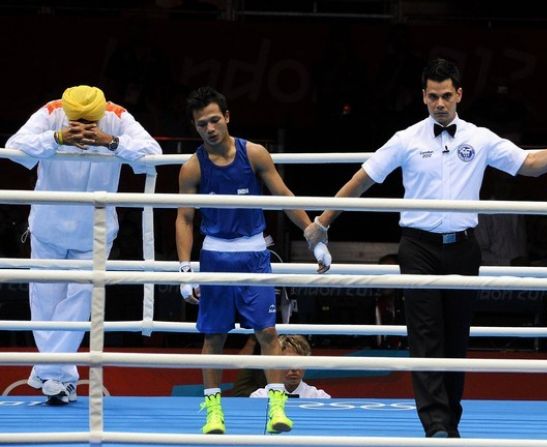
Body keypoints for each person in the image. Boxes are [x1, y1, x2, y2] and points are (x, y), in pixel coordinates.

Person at [304, 58, 547, 438]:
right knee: (425, 338)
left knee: (456, 340)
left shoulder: (479, 137)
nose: (440, 103)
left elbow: (531, 164)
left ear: (458, 95)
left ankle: (449, 424)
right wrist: (322, 222)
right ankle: (436, 425)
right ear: (423, 97)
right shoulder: (406, 139)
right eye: (432, 96)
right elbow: (363, 179)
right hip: (417, 248)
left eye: (446, 96)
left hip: (463, 249)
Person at [176, 86, 331, 435]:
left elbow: (284, 197)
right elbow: (184, 218)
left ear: (227, 117)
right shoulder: (192, 168)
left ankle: (277, 407)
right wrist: (185, 268)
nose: (210, 128)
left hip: (254, 256)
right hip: (215, 255)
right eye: (202, 124)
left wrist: (313, 236)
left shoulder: (255, 154)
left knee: (267, 332)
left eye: (215, 120)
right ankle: (213, 412)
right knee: (213, 337)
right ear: (196, 127)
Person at [4, 85, 162, 405]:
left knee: (77, 304)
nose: (85, 128)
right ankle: (61, 377)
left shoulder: (117, 117)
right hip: (48, 228)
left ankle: (50, 372)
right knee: (45, 306)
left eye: (91, 122)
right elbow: (14, 148)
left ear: (101, 113)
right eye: (78, 120)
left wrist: (112, 143)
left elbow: (153, 154)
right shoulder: (51, 112)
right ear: (67, 112)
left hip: (94, 233)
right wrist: (57, 139)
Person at [248, 335, 331, 399]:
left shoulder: (320, 398)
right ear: (276, 364)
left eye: (298, 362)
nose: (294, 369)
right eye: (288, 362)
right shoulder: (260, 397)